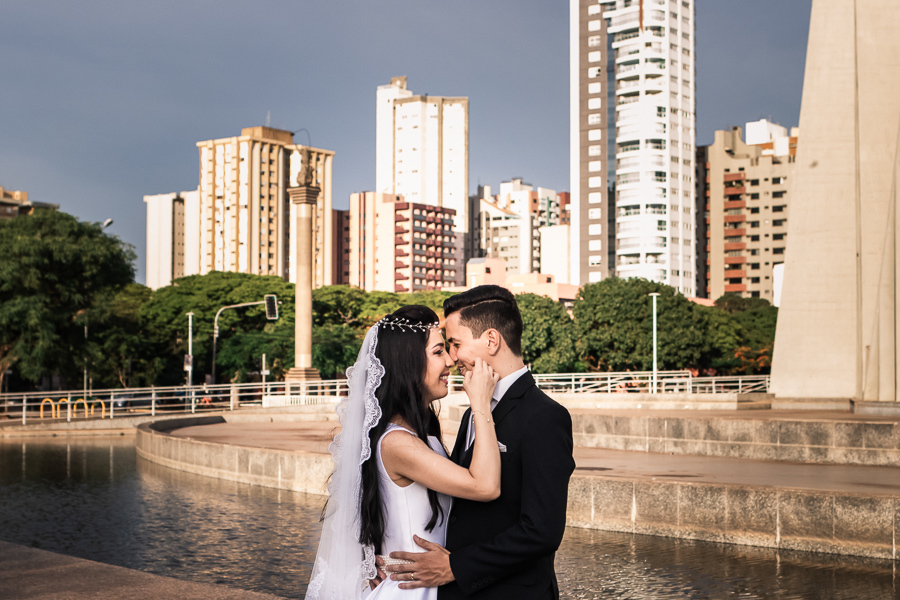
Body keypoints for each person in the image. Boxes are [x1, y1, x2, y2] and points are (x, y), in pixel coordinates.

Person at [382, 285, 576, 599]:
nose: (451, 357)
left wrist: (455, 567)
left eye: (456, 344)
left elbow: (542, 531)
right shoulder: (475, 411)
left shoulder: (544, 416)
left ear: (491, 340)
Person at [306, 305, 501, 600]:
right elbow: (485, 486)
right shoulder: (397, 443)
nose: (450, 360)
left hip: (426, 585)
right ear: (407, 363)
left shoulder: (416, 435)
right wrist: (481, 405)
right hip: (410, 591)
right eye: (438, 352)